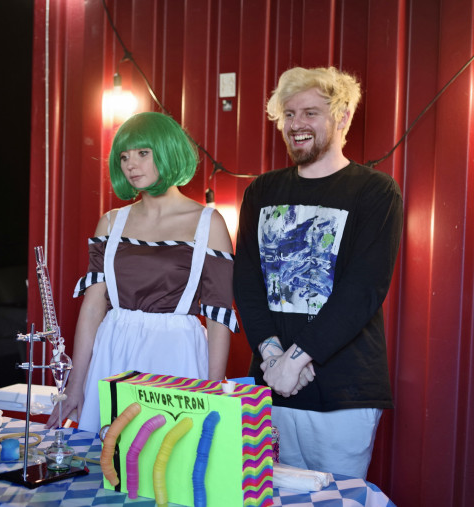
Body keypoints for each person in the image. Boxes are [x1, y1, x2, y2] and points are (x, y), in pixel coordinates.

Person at [233, 67, 403, 479]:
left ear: (342, 117)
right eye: (288, 115)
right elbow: (247, 282)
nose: (296, 125)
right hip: (272, 386)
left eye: (310, 112)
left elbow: (362, 290)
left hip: (344, 391)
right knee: (267, 496)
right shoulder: (261, 191)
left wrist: (295, 360)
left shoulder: (376, 192)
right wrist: (274, 359)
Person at [46, 111, 239, 434]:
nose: (130, 164)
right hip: (114, 348)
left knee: (171, 461)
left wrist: (213, 389)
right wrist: (75, 385)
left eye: (142, 153)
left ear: (168, 151)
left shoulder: (210, 223)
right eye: (123, 156)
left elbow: (218, 315)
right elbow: (93, 308)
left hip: (176, 352)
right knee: (107, 461)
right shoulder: (110, 222)